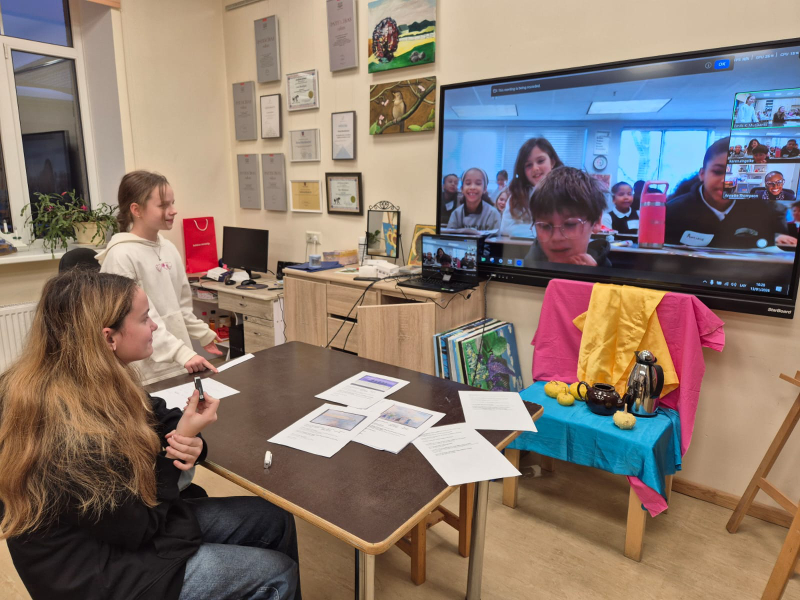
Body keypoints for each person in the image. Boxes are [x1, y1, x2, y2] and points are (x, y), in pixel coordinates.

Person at [0, 269, 301, 600]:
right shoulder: (68, 432)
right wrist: (176, 450)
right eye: (144, 319)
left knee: (275, 519)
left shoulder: (94, 379)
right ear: (108, 338)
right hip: (100, 573)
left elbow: (160, 415)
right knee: (277, 573)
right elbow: (137, 525)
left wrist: (186, 438)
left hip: (124, 528)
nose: (155, 326)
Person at [97, 171, 222, 386]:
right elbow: (137, 319)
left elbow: (180, 306)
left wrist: (202, 333)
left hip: (178, 358)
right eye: (163, 205)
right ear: (136, 210)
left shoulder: (168, 248)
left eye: (172, 203)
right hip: (144, 369)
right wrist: (181, 353)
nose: (173, 210)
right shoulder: (121, 255)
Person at [665, 137, 787, 249]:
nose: (726, 181)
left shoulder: (763, 211)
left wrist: (779, 240)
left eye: (737, 173)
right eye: (718, 172)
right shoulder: (672, 212)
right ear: (702, 174)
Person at [523, 166, 610, 267]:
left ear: (597, 221)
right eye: (545, 226)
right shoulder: (527, 268)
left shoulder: (605, 269)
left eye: (570, 224)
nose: (556, 237)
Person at [500, 138, 564, 237]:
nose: (535, 168)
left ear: (552, 162)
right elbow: (506, 228)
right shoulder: (517, 197)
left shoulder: (565, 193)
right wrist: (544, 230)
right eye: (529, 165)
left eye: (540, 161)